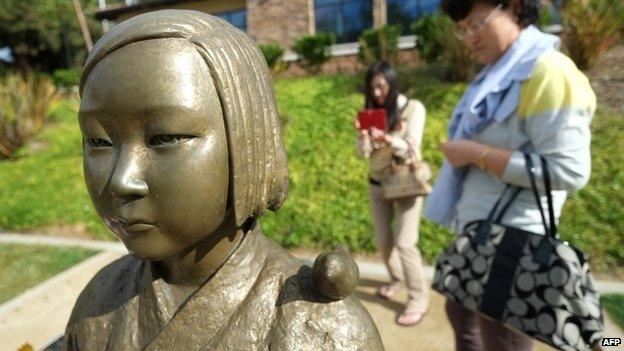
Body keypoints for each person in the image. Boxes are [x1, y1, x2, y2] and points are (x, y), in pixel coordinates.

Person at [62, 10, 383, 350]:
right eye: (98, 141)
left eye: (166, 137)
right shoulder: (97, 305)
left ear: (248, 142)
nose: (120, 180)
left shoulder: (321, 330)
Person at [424, 0, 596, 350]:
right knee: (462, 317)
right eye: (463, 29)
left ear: (514, 7)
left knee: (502, 339)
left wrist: (475, 153)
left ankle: (606, 342)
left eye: (477, 23)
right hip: (479, 235)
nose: (469, 37)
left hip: (514, 248)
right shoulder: (497, 74)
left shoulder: (547, 71)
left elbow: (569, 169)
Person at [355, 61, 429, 326]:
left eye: (380, 86)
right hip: (377, 184)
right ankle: (397, 278)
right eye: (371, 87)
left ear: (391, 82)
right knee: (384, 241)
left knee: (405, 243)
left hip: (405, 182)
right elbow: (361, 154)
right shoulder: (370, 113)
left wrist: (387, 139)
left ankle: (418, 298)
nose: (376, 93)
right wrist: (364, 139)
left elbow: (412, 147)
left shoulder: (413, 108)